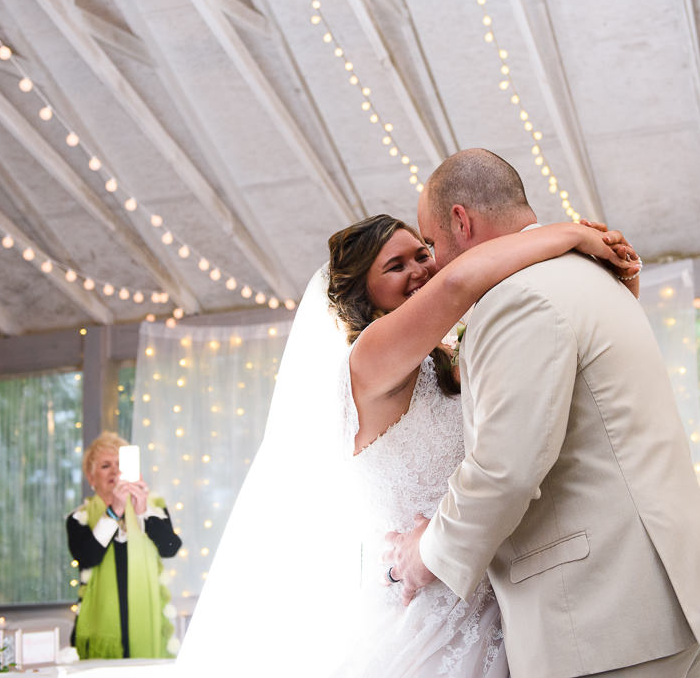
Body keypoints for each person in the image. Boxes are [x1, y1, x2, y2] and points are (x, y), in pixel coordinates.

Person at [164, 213, 640, 678]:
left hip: (503, 594)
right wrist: (575, 233)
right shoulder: (366, 362)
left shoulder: (446, 360)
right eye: (396, 266)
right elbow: (457, 285)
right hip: (427, 606)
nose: (420, 270)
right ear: (360, 294)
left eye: (422, 254)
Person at [389, 149, 700, 678]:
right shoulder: (597, 275)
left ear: (461, 221)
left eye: (433, 244)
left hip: (605, 613)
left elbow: (505, 471)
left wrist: (424, 556)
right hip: (667, 596)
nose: (435, 265)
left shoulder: (515, 299)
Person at [67, 432, 182, 659]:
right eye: (105, 466)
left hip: (146, 619)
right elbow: (88, 557)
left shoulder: (153, 506)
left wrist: (142, 512)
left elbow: (170, 547)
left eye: (120, 464)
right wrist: (113, 513)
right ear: (91, 478)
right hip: (100, 622)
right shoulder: (78, 518)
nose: (114, 471)